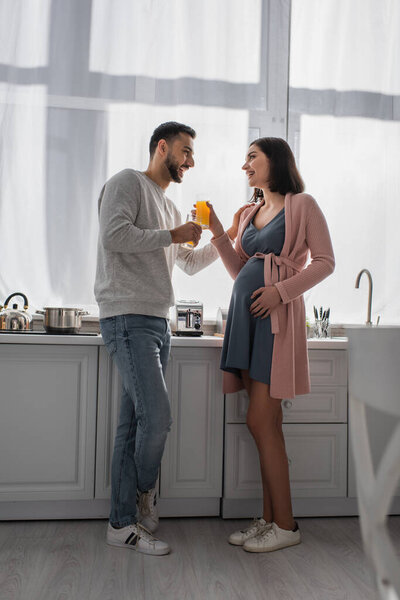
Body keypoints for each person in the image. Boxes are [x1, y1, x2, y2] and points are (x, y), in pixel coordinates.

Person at [94, 121, 243, 556]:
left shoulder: (173, 207)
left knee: (133, 424)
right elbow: (113, 235)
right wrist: (172, 236)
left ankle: (121, 524)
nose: (190, 161)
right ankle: (143, 496)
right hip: (127, 316)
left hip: (158, 323)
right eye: (185, 151)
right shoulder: (127, 183)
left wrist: (226, 232)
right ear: (162, 148)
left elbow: (191, 263)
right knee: (156, 418)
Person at [207, 137, 335, 553]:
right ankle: (269, 520)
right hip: (246, 323)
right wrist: (216, 233)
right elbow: (240, 270)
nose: (244, 165)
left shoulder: (303, 205)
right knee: (267, 426)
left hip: (276, 324)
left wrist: (280, 292)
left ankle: (286, 524)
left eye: (251, 157)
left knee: (261, 421)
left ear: (274, 161)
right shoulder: (248, 212)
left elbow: (325, 262)